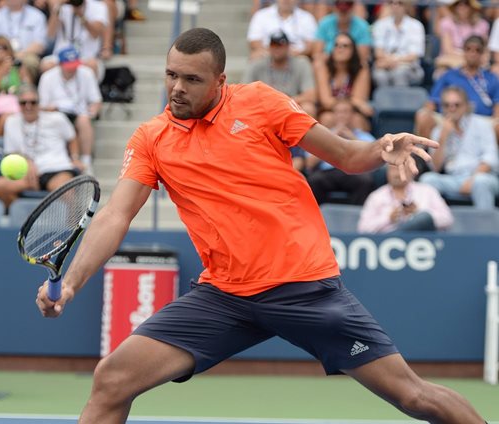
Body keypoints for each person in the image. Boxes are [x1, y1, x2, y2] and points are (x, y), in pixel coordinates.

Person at [35, 28, 486, 424]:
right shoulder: (151, 138)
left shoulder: (261, 103)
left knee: (414, 396)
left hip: (304, 287)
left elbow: (347, 156)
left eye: (192, 79)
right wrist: (72, 282)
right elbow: (116, 215)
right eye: (172, 75)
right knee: (112, 379)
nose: (176, 88)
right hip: (224, 296)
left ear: (220, 81)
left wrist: (380, 148)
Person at [0, 85, 81, 208]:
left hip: (56, 169)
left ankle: (74, 226)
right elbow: (11, 153)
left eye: (33, 102)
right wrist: (27, 161)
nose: (28, 106)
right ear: (18, 104)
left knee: (67, 192)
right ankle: (26, 220)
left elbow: (72, 138)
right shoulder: (11, 122)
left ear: (39, 103)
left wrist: (75, 158)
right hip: (27, 173)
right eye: (24, 103)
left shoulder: (57, 118)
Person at [419, 85, 499, 210]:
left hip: (482, 176)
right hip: (453, 179)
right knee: (427, 179)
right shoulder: (438, 131)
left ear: (466, 106)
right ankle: (436, 224)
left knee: (481, 182)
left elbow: (490, 158)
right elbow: (435, 167)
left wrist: (472, 180)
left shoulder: (482, 124)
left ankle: (485, 226)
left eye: (457, 105)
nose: (452, 109)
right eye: (447, 105)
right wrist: (443, 136)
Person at [415, 35, 499, 141]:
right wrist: (427, 112)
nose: (472, 53)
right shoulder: (448, 75)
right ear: (463, 52)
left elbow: (497, 107)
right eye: (468, 49)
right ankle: (424, 156)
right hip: (449, 118)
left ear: (482, 54)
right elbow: (432, 102)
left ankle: (490, 156)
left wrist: (495, 120)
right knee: (423, 117)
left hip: (481, 120)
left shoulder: (492, 78)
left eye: (477, 50)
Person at [38, 46, 101, 174]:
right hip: (55, 113)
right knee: (59, 120)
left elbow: (96, 100)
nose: (72, 69)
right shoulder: (48, 77)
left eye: (74, 65)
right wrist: (51, 109)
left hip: (79, 113)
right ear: (60, 64)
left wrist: (93, 111)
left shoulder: (86, 73)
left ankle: (86, 161)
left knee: (84, 120)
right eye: (69, 66)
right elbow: (42, 106)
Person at [306, 98, 376, 205]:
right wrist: (332, 138)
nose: (342, 115)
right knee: (313, 181)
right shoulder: (322, 135)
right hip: (328, 172)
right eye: (338, 112)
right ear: (334, 115)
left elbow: (374, 157)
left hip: (355, 172)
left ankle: (355, 218)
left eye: (345, 112)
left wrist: (352, 138)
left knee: (366, 181)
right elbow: (309, 163)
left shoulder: (364, 136)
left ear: (353, 115)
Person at [358, 164, 454, 233]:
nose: (397, 174)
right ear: (387, 172)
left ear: (412, 172)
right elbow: (363, 229)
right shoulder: (376, 196)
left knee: (424, 217)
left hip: (422, 244)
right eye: (393, 169)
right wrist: (388, 218)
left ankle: (395, 238)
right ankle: (395, 238)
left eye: (402, 169)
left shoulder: (427, 191)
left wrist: (418, 212)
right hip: (385, 247)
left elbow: (447, 219)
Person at [242, 31, 317, 117]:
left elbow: (311, 95)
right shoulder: (257, 63)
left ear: (288, 46)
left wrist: (283, 102)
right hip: (263, 106)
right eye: (273, 45)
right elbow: (244, 92)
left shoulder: (301, 63)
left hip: (292, 105)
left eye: (280, 45)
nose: (277, 49)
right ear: (269, 47)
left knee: (308, 108)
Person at [314, 32, 373, 131]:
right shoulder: (323, 67)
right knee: (326, 118)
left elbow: (359, 98)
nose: (340, 49)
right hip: (330, 112)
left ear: (353, 50)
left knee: (356, 120)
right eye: (336, 45)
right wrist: (353, 102)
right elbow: (326, 101)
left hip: (352, 113)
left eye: (345, 46)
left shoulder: (361, 69)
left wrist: (354, 103)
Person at [43, 0, 110, 78]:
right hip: (62, 56)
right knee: (46, 65)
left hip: (86, 57)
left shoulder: (98, 6)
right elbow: (50, 34)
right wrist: (56, 8)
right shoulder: (63, 6)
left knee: (91, 66)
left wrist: (81, 15)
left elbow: (95, 34)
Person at [371, 0, 425, 87]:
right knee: (379, 75)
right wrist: (389, 62)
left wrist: (394, 61)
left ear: (406, 6)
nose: (395, 5)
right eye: (391, 2)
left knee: (399, 73)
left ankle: (401, 100)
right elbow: (378, 52)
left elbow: (414, 55)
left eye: (399, 3)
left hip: (409, 66)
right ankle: (384, 101)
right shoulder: (380, 24)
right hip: (385, 64)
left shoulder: (416, 25)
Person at [246, 0, 317, 60]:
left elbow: (311, 45)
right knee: (255, 56)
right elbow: (254, 41)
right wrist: (275, 52)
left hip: (296, 56)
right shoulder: (261, 15)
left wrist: (298, 52)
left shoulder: (307, 17)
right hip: (268, 55)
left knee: (304, 60)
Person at [434, 0, 489, 77]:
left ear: (472, 7)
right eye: (458, 4)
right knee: (440, 74)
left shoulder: (482, 24)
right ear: (454, 7)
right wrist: (469, 59)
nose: (462, 7)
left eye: (466, 4)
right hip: (451, 64)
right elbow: (448, 50)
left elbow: (484, 50)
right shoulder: (446, 22)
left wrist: (472, 60)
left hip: (475, 64)